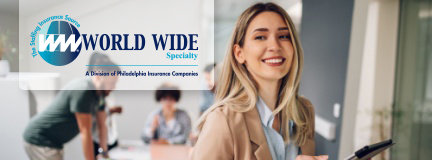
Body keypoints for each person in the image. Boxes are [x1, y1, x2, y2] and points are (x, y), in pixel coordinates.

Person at [192, 2, 328, 160]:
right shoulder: (222, 121)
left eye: (283, 36)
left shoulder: (305, 111)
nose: (274, 46)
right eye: (260, 37)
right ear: (239, 53)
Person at [23, 59, 120, 160]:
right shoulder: (84, 91)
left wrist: (104, 153)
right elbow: (85, 131)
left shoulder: (100, 95)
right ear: (98, 76)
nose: (113, 87)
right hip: (40, 139)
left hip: (54, 143)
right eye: (111, 83)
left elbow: (102, 125)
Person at [87, 53, 122, 158]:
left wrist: (104, 152)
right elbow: (97, 124)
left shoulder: (103, 93)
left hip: (110, 138)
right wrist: (103, 151)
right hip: (97, 140)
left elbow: (103, 124)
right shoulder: (89, 91)